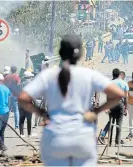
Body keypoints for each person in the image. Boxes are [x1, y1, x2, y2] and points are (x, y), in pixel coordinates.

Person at [18, 34, 124, 166]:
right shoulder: (89, 74)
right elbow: (118, 94)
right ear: (80, 54)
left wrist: (42, 113)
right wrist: (96, 111)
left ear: (61, 53)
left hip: (55, 137)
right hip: (82, 138)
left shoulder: (48, 75)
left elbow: (23, 98)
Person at [98, 68, 129, 146]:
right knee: (119, 124)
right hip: (120, 104)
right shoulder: (124, 83)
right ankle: (117, 143)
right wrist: (126, 108)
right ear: (119, 74)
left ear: (112, 74)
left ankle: (110, 142)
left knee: (111, 122)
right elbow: (126, 97)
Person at [19, 71, 37, 138]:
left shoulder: (20, 84)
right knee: (29, 119)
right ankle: (29, 134)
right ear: (29, 77)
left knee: (22, 119)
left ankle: (21, 133)